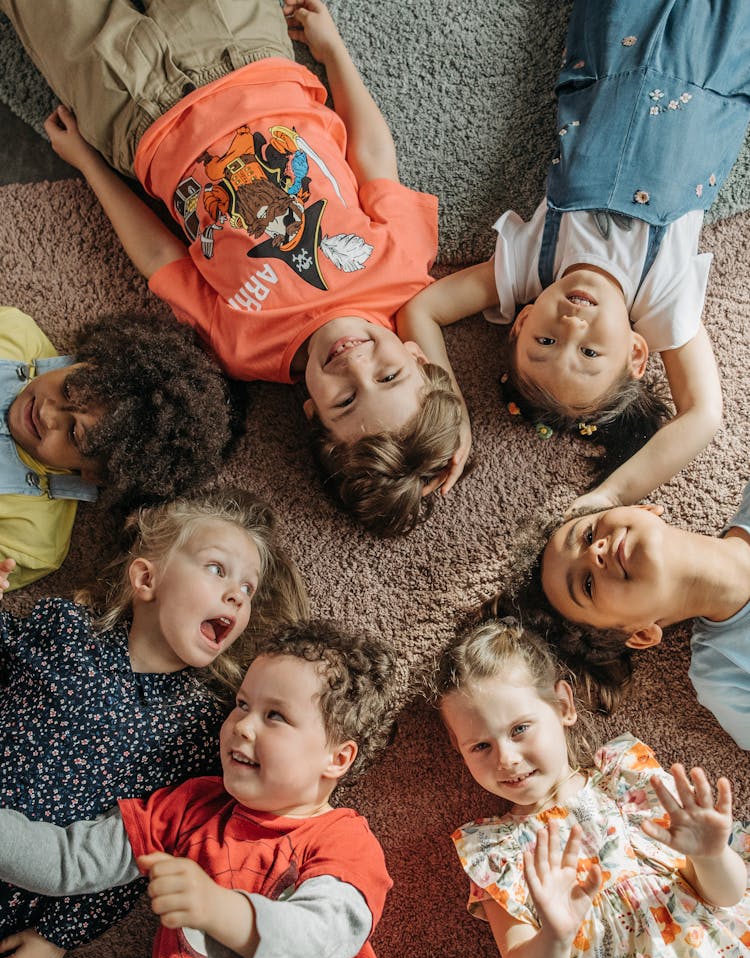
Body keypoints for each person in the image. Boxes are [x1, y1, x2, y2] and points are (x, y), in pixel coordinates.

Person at [0, 0, 471, 537]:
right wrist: (332, 50)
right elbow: (372, 157)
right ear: (416, 357)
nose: (354, 365)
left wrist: (87, 163)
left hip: (132, 113)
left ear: (313, 413)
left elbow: (162, 260)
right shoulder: (405, 269)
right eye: (388, 375)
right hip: (244, 50)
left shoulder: (246, 350)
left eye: (344, 400)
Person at [0, 618, 398, 958]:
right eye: (242, 704)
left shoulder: (342, 841)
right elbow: (69, 861)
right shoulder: (190, 808)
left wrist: (219, 910)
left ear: (337, 757)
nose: (243, 726)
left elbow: (323, 938)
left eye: (275, 716)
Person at [399, 0, 750, 513]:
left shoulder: (530, 268)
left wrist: (452, 417)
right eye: (589, 354)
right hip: (710, 68)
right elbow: (701, 415)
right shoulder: (660, 300)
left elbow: (421, 310)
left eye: (544, 340)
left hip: (613, 53)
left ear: (520, 322)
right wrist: (611, 493)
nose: (570, 326)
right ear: (635, 353)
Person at [434, 615, 750, 958]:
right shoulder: (495, 851)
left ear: (562, 705)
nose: (507, 758)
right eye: (481, 746)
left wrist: (712, 853)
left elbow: (729, 897)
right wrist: (556, 933)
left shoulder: (626, 777)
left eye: (519, 729)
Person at [0, 488, 308, 958]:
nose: (236, 594)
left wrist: (60, 933)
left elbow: (147, 851)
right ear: (147, 578)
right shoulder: (65, 630)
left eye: (248, 590)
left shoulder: (203, 730)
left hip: (23, 887)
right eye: (217, 569)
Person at [0, 305, 234, 589]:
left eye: (74, 434)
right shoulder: (12, 332)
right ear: (90, 361)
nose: (47, 414)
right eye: (68, 390)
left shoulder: (31, 541)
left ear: (96, 475)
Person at [506, 489, 750, 751]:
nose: (594, 551)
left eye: (588, 535)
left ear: (641, 510)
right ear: (640, 634)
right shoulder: (721, 676)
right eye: (587, 584)